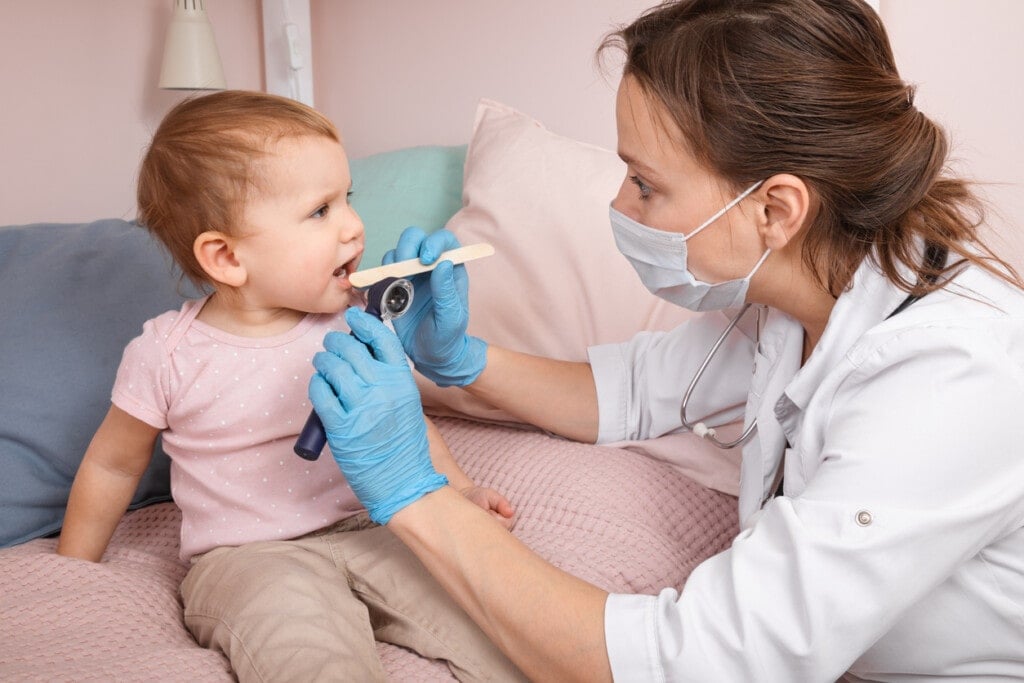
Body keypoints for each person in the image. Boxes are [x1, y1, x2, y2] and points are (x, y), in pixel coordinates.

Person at [307, 0, 1024, 680]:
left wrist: (413, 496)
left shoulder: (951, 377)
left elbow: (689, 664)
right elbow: (635, 388)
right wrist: (460, 361)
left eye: (645, 184)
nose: (620, 204)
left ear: (776, 208)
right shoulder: (802, 292)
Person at [56, 90, 526, 683]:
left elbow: (404, 422)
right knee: (308, 657)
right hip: (249, 559)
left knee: (498, 623)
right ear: (226, 257)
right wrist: (72, 569)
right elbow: (112, 466)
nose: (354, 225)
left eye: (347, 199)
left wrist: (458, 494)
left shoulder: (357, 316)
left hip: (376, 527)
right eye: (320, 210)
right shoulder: (166, 354)